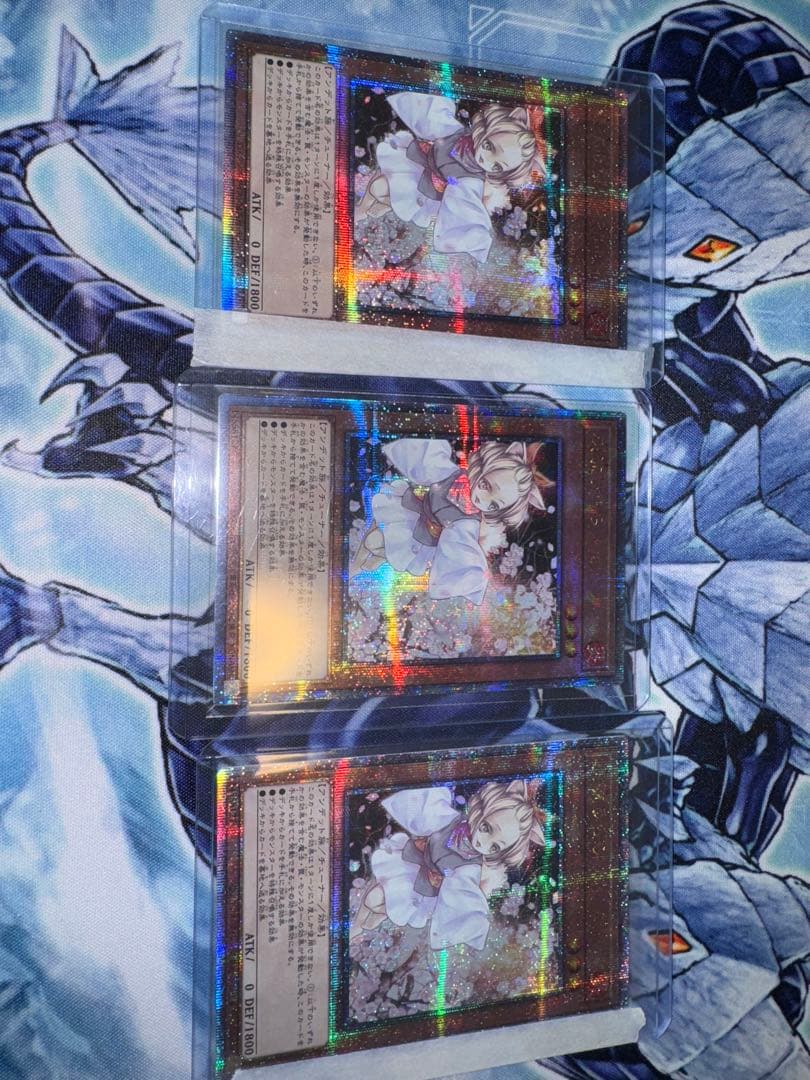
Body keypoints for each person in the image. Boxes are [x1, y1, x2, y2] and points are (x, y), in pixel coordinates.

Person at [355, 92, 552, 263]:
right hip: (417, 163)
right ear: (487, 129)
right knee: (379, 183)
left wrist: (476, 239)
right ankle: (362, 209)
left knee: (381, 189)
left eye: (497, 166)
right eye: (489, 146)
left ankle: (378, 209)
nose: (486, 159)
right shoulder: (456, 132)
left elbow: (466, 209)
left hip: (424, 189)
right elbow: (431, 118)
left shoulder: (471, 180)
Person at [350, 779, 546, 950]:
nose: (483, 843)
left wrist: (471, 923)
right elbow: (427, 808)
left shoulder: (471, 867)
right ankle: (355, 928)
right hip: (411, 864)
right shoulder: (450, 820)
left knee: (379, 904)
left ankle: (363, 930)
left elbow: (463, 897)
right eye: (486, 828)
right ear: (482, 811)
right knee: (373, 898)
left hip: (421, 889)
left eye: (495, 847)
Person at [349, 438, 548, 605]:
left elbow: (461, 551)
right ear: (483, 468)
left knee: (373, 543)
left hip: (419, 538)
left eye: (494, 505)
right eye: (486, 485)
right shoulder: (451, 474)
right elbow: (427, 459)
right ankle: (354, 569)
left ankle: (362, 567)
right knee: (377, 526)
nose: (482, 500)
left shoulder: (468, 522)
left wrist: (470, 579)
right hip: (411, 510)